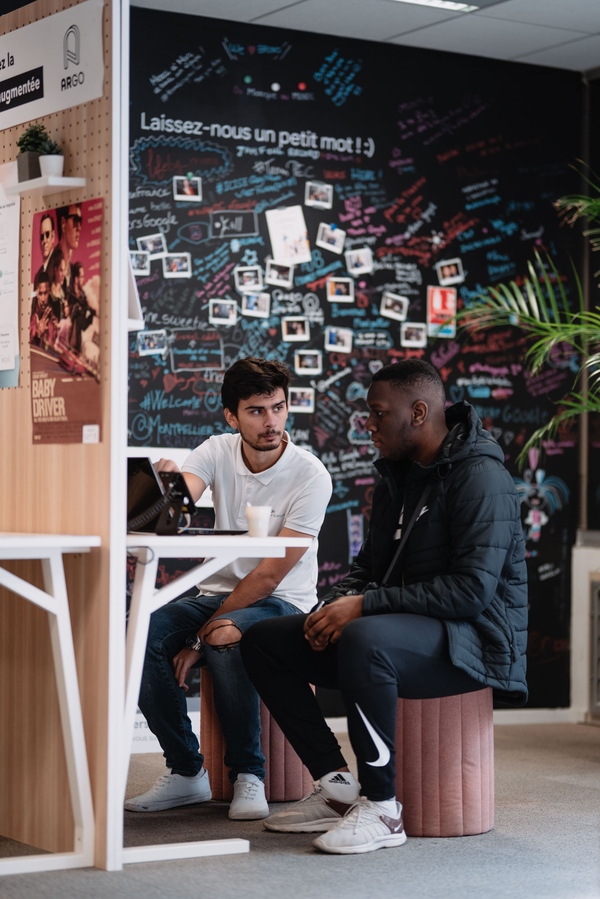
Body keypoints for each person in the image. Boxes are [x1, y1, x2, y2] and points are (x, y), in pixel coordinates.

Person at [241, 359, 528, 854]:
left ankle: (382, 807)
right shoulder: (398, 478)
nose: (367, 425)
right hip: (405, 631)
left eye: (377, 414)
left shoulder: (482, 478)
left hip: (475, 639)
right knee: (266, 640)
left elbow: (471, 592)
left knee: (364, 637)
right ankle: (336, 788)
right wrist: (331, 606)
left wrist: (363, 607)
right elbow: (367, 566)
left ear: (418, 412)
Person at [125, 357, 333, 821]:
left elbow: (267, 577)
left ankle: (248, 774)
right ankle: (186, 772)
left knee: (224, 636)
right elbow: (167, 521)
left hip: (281, 602)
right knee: (135, 634)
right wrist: (157, 487)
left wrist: (199, 640)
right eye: (257, 411)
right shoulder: (216, 451)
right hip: (215, 594)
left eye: (278, 407)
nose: (272, 421)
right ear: (231, 416)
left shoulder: (310, 474)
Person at [29, 272, 58, 350]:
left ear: (49, 292)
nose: (43, 299)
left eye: (45, 293)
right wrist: (38, 334)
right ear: (36, 295)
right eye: (40, 294)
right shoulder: (32, 320)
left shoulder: (54, 320)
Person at [34, 213, 56, 288]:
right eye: (42, 236)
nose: (44, 240)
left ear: (53, 236)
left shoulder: (59, 268)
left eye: (47, 234)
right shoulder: (37, 277)